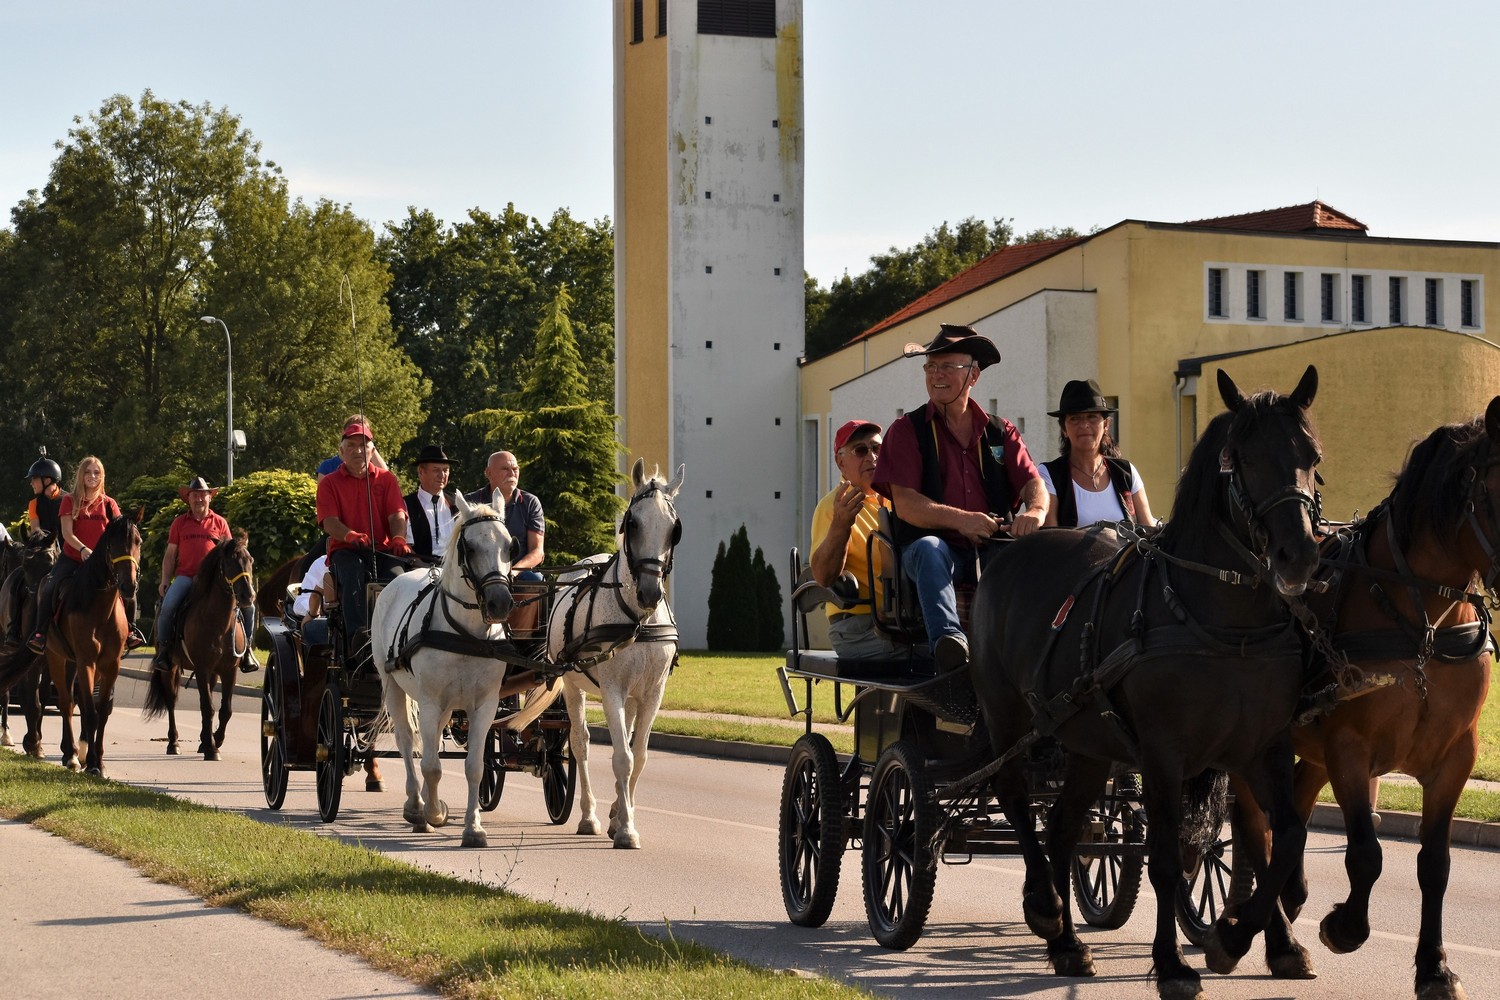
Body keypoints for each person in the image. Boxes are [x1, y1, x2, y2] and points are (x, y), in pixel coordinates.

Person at [871, 324, 1047, 671]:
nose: (935, 375)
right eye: (930, 367)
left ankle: (1039, 655)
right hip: (931, 554)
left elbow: (1032, 481)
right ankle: (949, 646)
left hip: (992, 548)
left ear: (973, 375)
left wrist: (1037, 510)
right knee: (929, 548)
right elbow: (905, 504)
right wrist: (964, 520)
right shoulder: (906, 431)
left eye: (946, 367)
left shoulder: (1000, 430)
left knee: (1038, 557)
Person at [28, 455, 146, 653]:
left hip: (102, 562)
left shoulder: (110, 503)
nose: (92, 476)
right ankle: (40, 634)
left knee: (129, 589)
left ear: (102, 476)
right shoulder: (69, 500)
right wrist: (83, 550)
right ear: (81, 476)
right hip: (73, 557)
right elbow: (67, 533)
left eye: (97, 472)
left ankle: (131, 631)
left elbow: (119, 533)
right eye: (88, 472)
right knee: (49, 585)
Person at [809, 419, 901, 660]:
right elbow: (823, 576)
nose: (871, 457)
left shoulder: (897, 500)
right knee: (933, 655)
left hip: (901, 623)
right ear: (841, 462)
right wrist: (841, 524)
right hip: (857, 626)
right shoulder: (832, 507)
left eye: (877, 449)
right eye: (860, 450)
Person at [150, 476, 259, 674]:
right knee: (167, 607)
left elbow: (230, 555)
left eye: (203, 495)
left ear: (210, 498)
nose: (199, 499)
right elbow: (170, 555)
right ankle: (164, 651)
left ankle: (246, 651)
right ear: (188, 499)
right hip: (186, 576)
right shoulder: (179, 523)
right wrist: (165, 580)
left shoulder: (220, 523)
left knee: (248, 607)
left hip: (214, 581)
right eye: (195, 495)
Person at [315, 420, 410, 639]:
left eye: (363, 445)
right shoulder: (329, 483)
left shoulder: (387, 479)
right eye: (351, 445)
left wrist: (398, 538)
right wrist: (350, 535)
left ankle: (398, 636)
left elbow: (396, 513)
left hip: (382, 550)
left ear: (372, 451)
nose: (358, 450)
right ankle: (358, 637)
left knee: (399, 579)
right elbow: (329, 521)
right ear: (341, 451)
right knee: (353, 575)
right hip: (346, 549)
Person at [1038, 379, 1156, 529]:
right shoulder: (1049, 474)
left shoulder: (1126, 472)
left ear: (1106, 425)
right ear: (1064, 429)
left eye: (1092, 417)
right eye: (1074, 418)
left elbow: (1148, 531)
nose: (1084, 425)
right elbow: (1051, 538)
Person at [467, 450, 545, 633]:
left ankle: (522, 642)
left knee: (536, 581)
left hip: (517, 572)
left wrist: (514, 571)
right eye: (505, 469)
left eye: (515, 469)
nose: (512, 474)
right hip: (480, 572)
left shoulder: (530, 503)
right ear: (489, 473)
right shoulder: (472, 501)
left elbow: (537, 552)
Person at [403, 445, 458, 562]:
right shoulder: (406, 504)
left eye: (445, 470)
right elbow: (406, 546)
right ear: (421, 472)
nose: (442, 475)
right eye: (436, 470)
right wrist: (424, 569)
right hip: (418, 571)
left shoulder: (457, 503)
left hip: (454, 572)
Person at [316, 413, 388, 482]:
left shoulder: (371, 466)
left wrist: (370, 445)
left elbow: (385, 476)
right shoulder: (327, 466)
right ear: (343, 433)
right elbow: (322, 491)